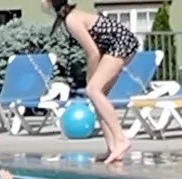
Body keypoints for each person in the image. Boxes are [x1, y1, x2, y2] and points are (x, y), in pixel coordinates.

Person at [44, 0, 140, 165]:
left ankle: (121, 139)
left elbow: (93, 53)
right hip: (117, 44)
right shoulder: (70, 18)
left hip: (120, 43)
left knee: (93, 90)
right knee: (98, 96)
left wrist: (91, 77)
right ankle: (112, 148)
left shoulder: (71, 20)